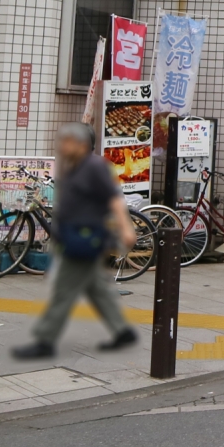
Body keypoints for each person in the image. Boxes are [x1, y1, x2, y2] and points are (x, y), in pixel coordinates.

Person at [12, 124, 138, 358]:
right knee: (96, 287)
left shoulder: (94, 167)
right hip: (74, 237)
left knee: (63, 290)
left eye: (67, 141)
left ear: (82, 145)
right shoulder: (74, 166)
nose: (62, 146)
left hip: (85, 238)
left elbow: (114, 198)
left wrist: (126, 229)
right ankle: (122, 332)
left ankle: (45, 341)